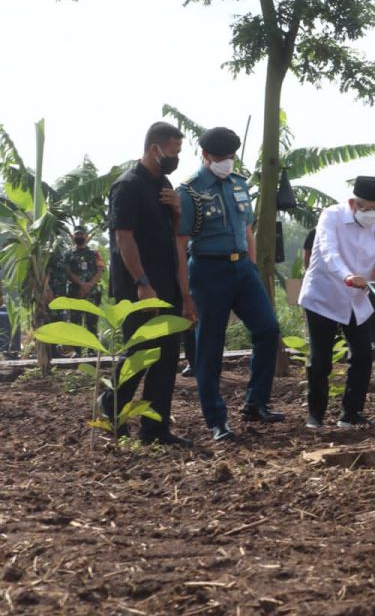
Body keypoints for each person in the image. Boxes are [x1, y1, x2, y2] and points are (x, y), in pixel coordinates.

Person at [177, 126, 282, 442]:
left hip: (242, 270)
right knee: (209, 348)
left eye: (231, 156)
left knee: (268, 330)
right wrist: (185, 295)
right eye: (221, 156)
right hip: (208, 272)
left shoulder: (239, 184)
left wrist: (249, 264)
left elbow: (247, 227)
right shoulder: (190, 191)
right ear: (205, 155)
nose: (227, 161)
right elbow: (180, 243)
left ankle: (256, 402)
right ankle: (216, 420)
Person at [301, 176, 375, 428]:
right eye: (367, 209)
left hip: (356, 298)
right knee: (321, 360)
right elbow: (328, 251)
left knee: (363, 356)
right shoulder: (331, 217)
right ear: (353, 203)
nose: (373, 214)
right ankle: (316, 415)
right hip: (324, 296)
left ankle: (350, 413)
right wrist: (346, 275)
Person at [102, 121, 192, 446]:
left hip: (166, 284)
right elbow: (123, 239)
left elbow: (172, 238)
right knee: (140, 351)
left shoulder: (163, 184)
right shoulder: (127, 186)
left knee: (167, 358)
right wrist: (142, 282)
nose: (176, 157)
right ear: (155, 149)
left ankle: (155, 429)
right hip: (138, 287)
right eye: (173, 151)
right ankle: (110, 407)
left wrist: (178, 212)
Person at [65, 226, 105, 339]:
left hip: (92, 292)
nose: (79, 237)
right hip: (75, 292)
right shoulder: (68, 254)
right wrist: (82, 284)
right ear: (73, 237)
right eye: (77, 234)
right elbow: (67, 272)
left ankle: (92, 351)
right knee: (75, 323)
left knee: (92, 322)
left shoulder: (94, 253)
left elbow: (100, 270)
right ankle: (77, 351)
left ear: (86, 236)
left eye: (81, 234)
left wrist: (90, 284)